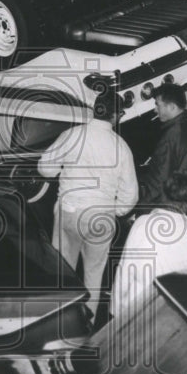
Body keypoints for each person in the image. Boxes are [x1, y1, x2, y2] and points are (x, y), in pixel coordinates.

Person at [38, 91, 139, 310]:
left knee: (63, 272)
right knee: (94, 274)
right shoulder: (121, 146)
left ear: (95, 108)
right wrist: (115, 211)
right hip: (101, 217)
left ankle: (62, 322)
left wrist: (59, 170)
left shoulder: (72, 135)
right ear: (117, 115)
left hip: (69, 210)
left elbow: (45, 169)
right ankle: (87, 326)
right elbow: (130, 196)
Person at [111, 172, 187, 320]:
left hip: (133, 310)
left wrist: (115, 312)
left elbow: (125, 270)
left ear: (164, 194)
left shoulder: (142, 223)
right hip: (170, 316)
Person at [139, 83, 187, 207]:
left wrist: (141, 207)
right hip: (180, 200)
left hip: (165, 204)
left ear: (172, 107)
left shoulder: (171, 135)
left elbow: (159, 181)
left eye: (158, 105)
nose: (155, 110)